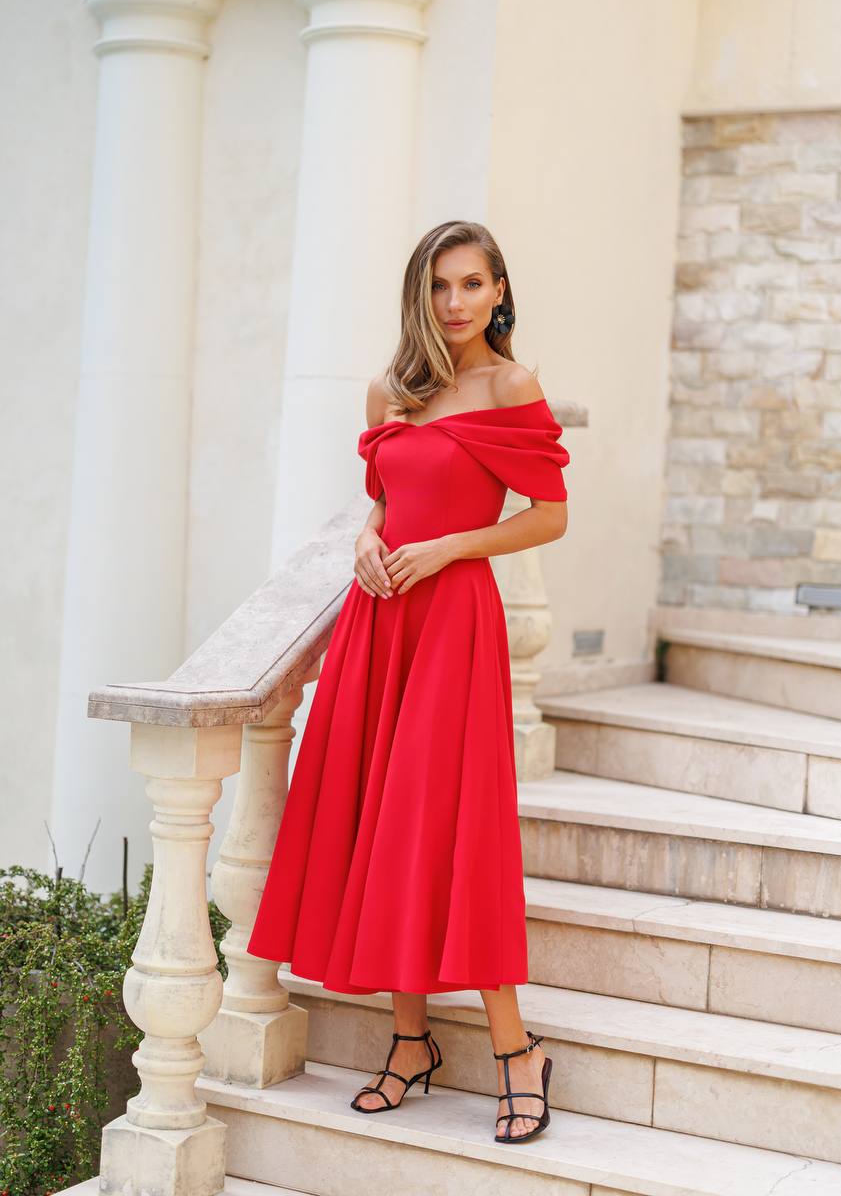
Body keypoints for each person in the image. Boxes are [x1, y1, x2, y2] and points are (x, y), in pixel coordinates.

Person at [247, 219, 570, 1142]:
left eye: (471, 284)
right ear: (418, 294)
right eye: (438, 285)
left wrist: (448, 549)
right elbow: (387, 498)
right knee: (379, 819)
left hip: (452, 622)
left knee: (448, 823)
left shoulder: (511, 386)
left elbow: (548, 516)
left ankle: (516, 1051)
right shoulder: (391, 388)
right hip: (379, 621)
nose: (455, 302)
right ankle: (409, 1040)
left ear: (499, 291)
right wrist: (366, 538)